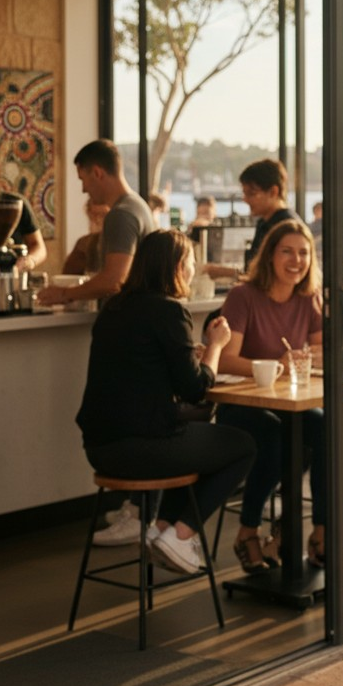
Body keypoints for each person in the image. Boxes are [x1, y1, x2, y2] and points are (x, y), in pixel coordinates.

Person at [75, 229, 255, 574]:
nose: (192, 270)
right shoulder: (168, 311)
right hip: (143, 447)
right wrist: (216, 345)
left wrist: (189, 357)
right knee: (243, 445)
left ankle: (160, 531)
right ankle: (181, 534)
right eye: (189, 263)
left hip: (99, 448)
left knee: (195, 443)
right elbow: (195, 389)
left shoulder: (113, 308)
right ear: (175, 267)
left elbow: (147, 369)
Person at [209, 218, 326, 572]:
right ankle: (248, 531)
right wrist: (277, 363)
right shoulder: (243, 296)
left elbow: (320, 351)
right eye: (287, 251)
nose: (296, 260)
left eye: (304, 253)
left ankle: (318, 529)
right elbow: (226, 358)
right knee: (277, 439)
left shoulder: (309, 298)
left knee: (327, 430)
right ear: (270, 256)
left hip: (287, 403)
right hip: (240, 405)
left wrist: (306, 357)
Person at [36, 140, 155, 310]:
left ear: (98, 173)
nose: (84, 189)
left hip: (128, 322)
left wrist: (63, 294)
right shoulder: (139, 205)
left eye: (83, 179)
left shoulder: (120, 214)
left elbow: (114, 280)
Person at [62, 199, 110, 275]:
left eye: (103, 215)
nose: (98, 220)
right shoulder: (83, 243)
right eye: (94, 215)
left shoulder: (120, 244)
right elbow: (68, 275)